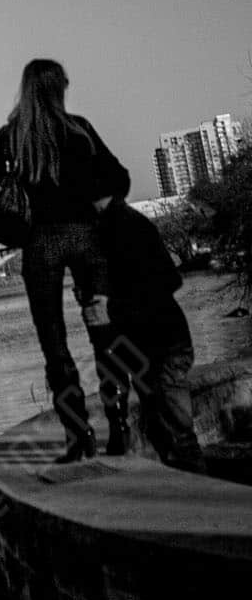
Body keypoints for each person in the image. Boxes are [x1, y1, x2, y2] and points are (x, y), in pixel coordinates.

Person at [0, 59, 131, 462]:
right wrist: (93, 196)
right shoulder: (79, 129)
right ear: (59, 88)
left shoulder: (10, 137)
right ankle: (118, 427)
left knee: (54, 343)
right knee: (105, 335)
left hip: (40, 244)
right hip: (87, 236)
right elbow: (119, 178)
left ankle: (77, 435)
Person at [96, 202, 206, 472]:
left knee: (175, 429)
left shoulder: (124, 228)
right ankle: (191, 490)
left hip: (163, 343)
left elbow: (166, 282)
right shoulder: (123, 225)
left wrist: (111, 306)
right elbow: (169, 281)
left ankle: (202, 494)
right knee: (162, 426)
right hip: (153, 343)